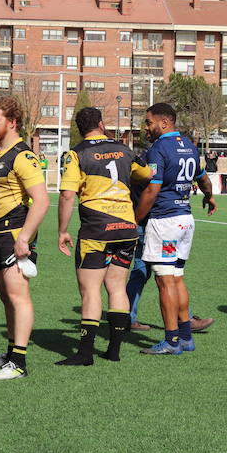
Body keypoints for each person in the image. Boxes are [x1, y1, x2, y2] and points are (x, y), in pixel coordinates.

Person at [55, 107, 151, 365]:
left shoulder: (76, 154)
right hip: (127, 226)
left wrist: (62, 230)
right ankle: (114, 350)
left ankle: (85, 353)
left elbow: (66, 195)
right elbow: (147, 174)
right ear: (101, 123)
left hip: (97, 228)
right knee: (117, 287)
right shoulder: (124, 149)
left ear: (79, 128)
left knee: (90, 291)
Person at [135, 103, 217, 355]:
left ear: (164, 123)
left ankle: (171, 341)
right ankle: (185, 337)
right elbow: (203, 177)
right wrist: (209, 196)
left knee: (164, 281)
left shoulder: (158, 149)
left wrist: (134, 220)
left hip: (165, 222)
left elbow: (152, 190)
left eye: (149, 122)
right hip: (185, 220)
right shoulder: (190, 146)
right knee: (177, 278)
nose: (146, 128)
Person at [0, 96, 49, 380]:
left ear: (12, 122)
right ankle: (9, 353)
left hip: (13, 232)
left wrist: (24, 238)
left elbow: (41, 201)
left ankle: (19, 362)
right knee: (6, 297)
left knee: (19, 296)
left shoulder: (23, 155)